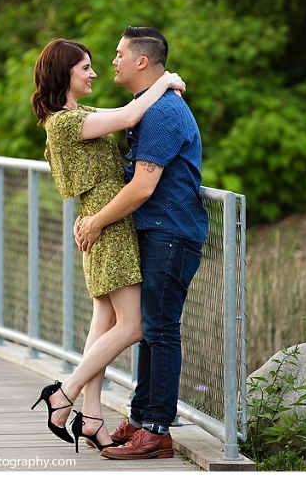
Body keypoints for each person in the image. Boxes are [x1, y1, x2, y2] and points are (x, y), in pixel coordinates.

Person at [29, 38, 186, 453]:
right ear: (65, 74)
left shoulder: (78, 114)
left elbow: (126, 112)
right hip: (107, 222)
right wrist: (166, 79)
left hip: (100, 217)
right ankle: (64, 393)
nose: (94, 73)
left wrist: (159, 84)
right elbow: (133, 112)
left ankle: (92, 415)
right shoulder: (66, 123)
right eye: (85, 68)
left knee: (102, 321)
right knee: (132, 326)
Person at [76, 26, 209, 460]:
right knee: (150, 327)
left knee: (162, 328)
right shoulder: (144, 105)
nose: (111, 61)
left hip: (171, 232)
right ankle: (141, 418)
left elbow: (142, 188)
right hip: (155, 232)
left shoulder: (163, 113)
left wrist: (95, 221)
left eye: (118, 54)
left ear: (142, 62)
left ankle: (156, 430)